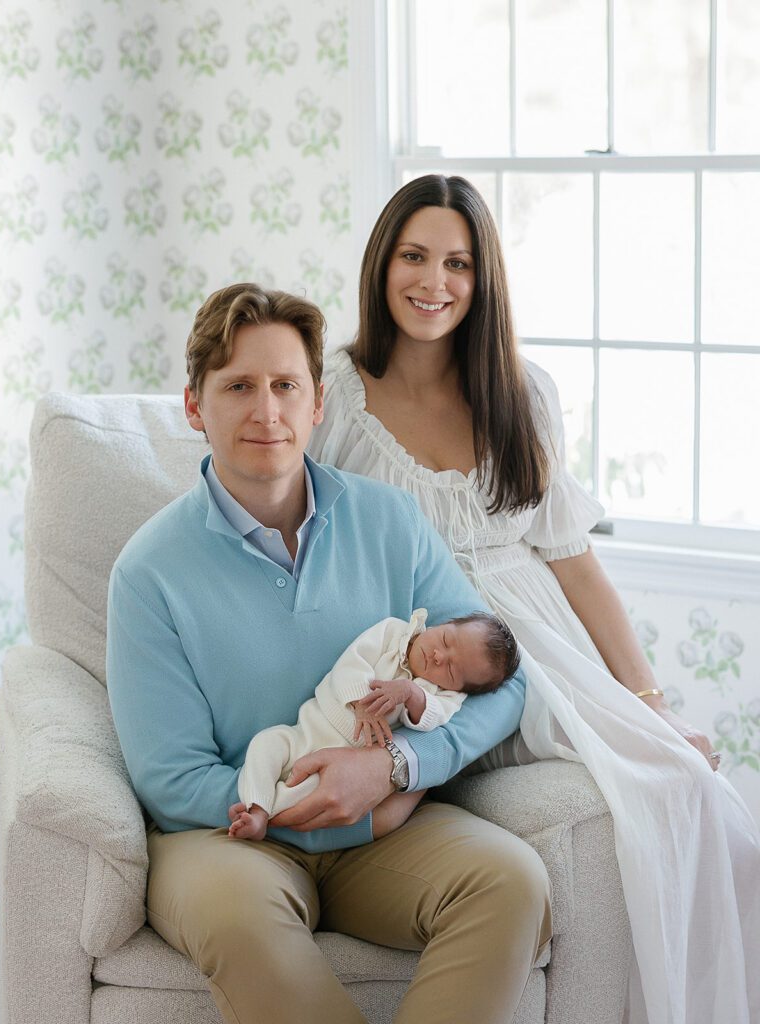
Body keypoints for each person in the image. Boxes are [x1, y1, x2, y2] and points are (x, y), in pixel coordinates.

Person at [307, 174, 760, 1024]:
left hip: (538, 634)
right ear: (381, 264)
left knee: (704, 797)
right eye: (413, 256)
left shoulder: (522, 390)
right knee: (655, 785)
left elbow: (575, 562)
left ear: (483, 281)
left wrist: (648, 699)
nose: (432, 282)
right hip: (436, 651)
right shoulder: (337, 399)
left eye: (457, 263)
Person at [106, 282, 551, 1024]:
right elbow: (170, 778)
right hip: (229, 834)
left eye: (286, 386)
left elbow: (501, 682)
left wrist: (396, 769)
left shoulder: (389, 520)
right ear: (195, 406)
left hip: (386, 823)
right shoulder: (147, 573)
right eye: (238, 386)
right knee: (240, 921)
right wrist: (327, 808)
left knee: (512, 880)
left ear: (318, 404)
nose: (267, 411)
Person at [228, 607, 520, 841]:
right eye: (445, 639)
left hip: (343, 765)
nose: (438, 656)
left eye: (453, 670)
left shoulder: (442, 694)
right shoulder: (392, 632)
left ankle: (263, 816)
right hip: (306, 731)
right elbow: (351, 663)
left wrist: (411, 693)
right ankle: (257, 803)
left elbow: (432, 718)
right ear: (442, 624)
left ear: (460, 687)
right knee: (266, 744)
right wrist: (360, 703)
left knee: (318, 792)